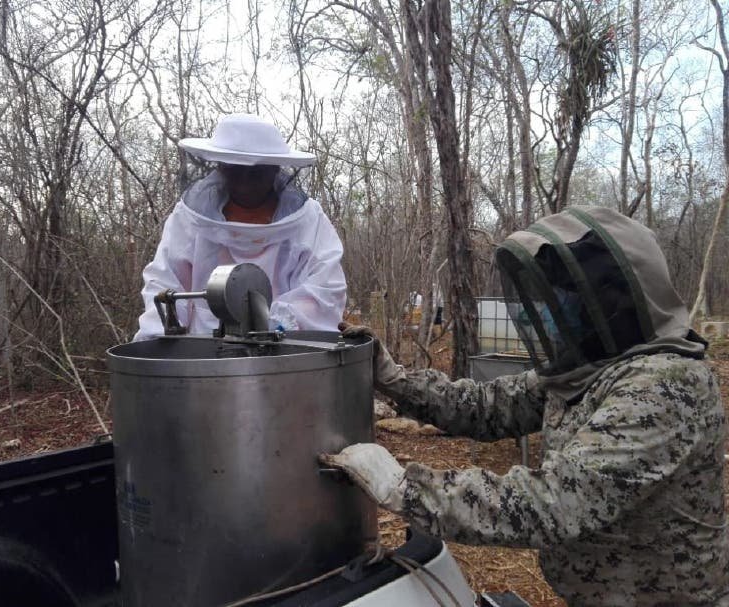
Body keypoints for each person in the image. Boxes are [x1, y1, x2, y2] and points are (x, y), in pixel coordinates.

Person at [322, 206, 729, 606]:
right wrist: (395, 379)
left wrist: (406, 488)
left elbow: (555, 501)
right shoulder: (587, 368)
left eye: (565, 295)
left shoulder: (667, 384)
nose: (553, 309)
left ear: (608, 301)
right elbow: (485, 405)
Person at [134, 113, 346, 340]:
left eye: (256, 172)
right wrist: (156, 343)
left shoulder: (308, 221)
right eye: (235, 170)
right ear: (220, 166)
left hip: (289, 356)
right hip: (202, 358)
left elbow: (324, 290)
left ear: (275, 169)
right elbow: (166, 283)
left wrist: (274, 325)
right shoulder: (189, 219)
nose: (245, 183)